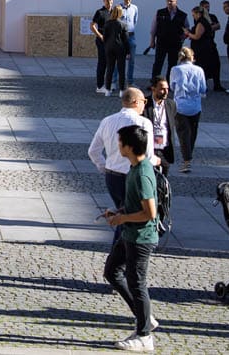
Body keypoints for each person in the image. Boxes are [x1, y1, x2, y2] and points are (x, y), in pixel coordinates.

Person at [102, 124, 160, 352]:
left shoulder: (143, 173)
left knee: (137, 283)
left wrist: (122, 219)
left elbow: (149, 213)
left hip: (141, 237)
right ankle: (144, 316)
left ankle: (144, 335)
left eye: (120, 142)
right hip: (129, 234)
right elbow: (135, 204)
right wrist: (118, 212)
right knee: (112, 271)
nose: (117, 146)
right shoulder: (134, 168)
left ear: (129, 146)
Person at [88, 88, 157, 228]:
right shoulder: (144, 123)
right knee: (129, 218)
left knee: (122, 211)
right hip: (132, 176)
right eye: (144, 101)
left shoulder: (107, 121)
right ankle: (121, 247)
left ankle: (119, 247)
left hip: (112, 177)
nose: (145, 105)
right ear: (136, 102)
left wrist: (105, 167)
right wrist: (155, 162)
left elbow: (93, 151)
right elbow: (148, 155)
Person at [169, 46, 207, 175]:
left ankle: (187, 159)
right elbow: (203, 88)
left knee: (183, 132)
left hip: (180, 105)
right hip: (196, 105)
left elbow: (172, 86)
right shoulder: (199, 70)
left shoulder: (175, 69)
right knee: (192, 132)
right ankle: (188, 155)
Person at [184, 5, 225, 93]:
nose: (193, 16)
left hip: (203, 48)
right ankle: (207, 85)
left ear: (198, 14)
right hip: (206, 47)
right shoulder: (204, 21)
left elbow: (197, 36)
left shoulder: (201, 23)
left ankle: (202, 86)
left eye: (193, 14)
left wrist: (188, 33)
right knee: (208, 66)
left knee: (202, 66)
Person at [142, 76, 176, 177]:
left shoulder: (171, 104)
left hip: (165, 150)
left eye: (167, 88)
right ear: (153, 88)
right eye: (162, 89)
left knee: (163, 181)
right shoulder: (144, 104)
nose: (166, 92)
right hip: (149, 149)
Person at [149, 0, 188, 80]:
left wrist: (182, 39)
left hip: (175, 44)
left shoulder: (182, 15)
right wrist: (152, 41)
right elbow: (153, 28)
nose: (169, 3)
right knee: (158, 63)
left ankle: (170, 82)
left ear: (176, 2)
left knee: (172, 64)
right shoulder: (160, 12)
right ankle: (155, 82)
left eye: (171, 1)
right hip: (161, 42)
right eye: (168, 1)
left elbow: (186, 29)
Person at [101, 6, 130, 98]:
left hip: (109, 48)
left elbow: (104, 37)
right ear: (120, 13)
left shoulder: (107, 23)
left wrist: (106, 46)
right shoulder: (123, 24)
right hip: (120, 48)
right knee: (121, 69)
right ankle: (122, 90)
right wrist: (128, 51)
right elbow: (126, 40)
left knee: (109, 69)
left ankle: (108, 90)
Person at [91, 0, 117, 95]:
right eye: (107, 1)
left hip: (111, 41)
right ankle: (99, 86)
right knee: (102, 63)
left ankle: (109, 83)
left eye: (110, 1)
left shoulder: (114, 12)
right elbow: (92, 25)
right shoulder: (100, 12)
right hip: (102, 41)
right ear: (103, 1)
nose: (109, 2)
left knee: (110, 63)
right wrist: (99, 35)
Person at [120, 0, 140, 88]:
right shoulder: (119, 8)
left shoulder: (135, 8)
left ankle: (130, 82)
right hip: (120, 37)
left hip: (131, 36)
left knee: (131, 60)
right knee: (118, 60)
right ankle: (115, 82)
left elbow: (134, 21)